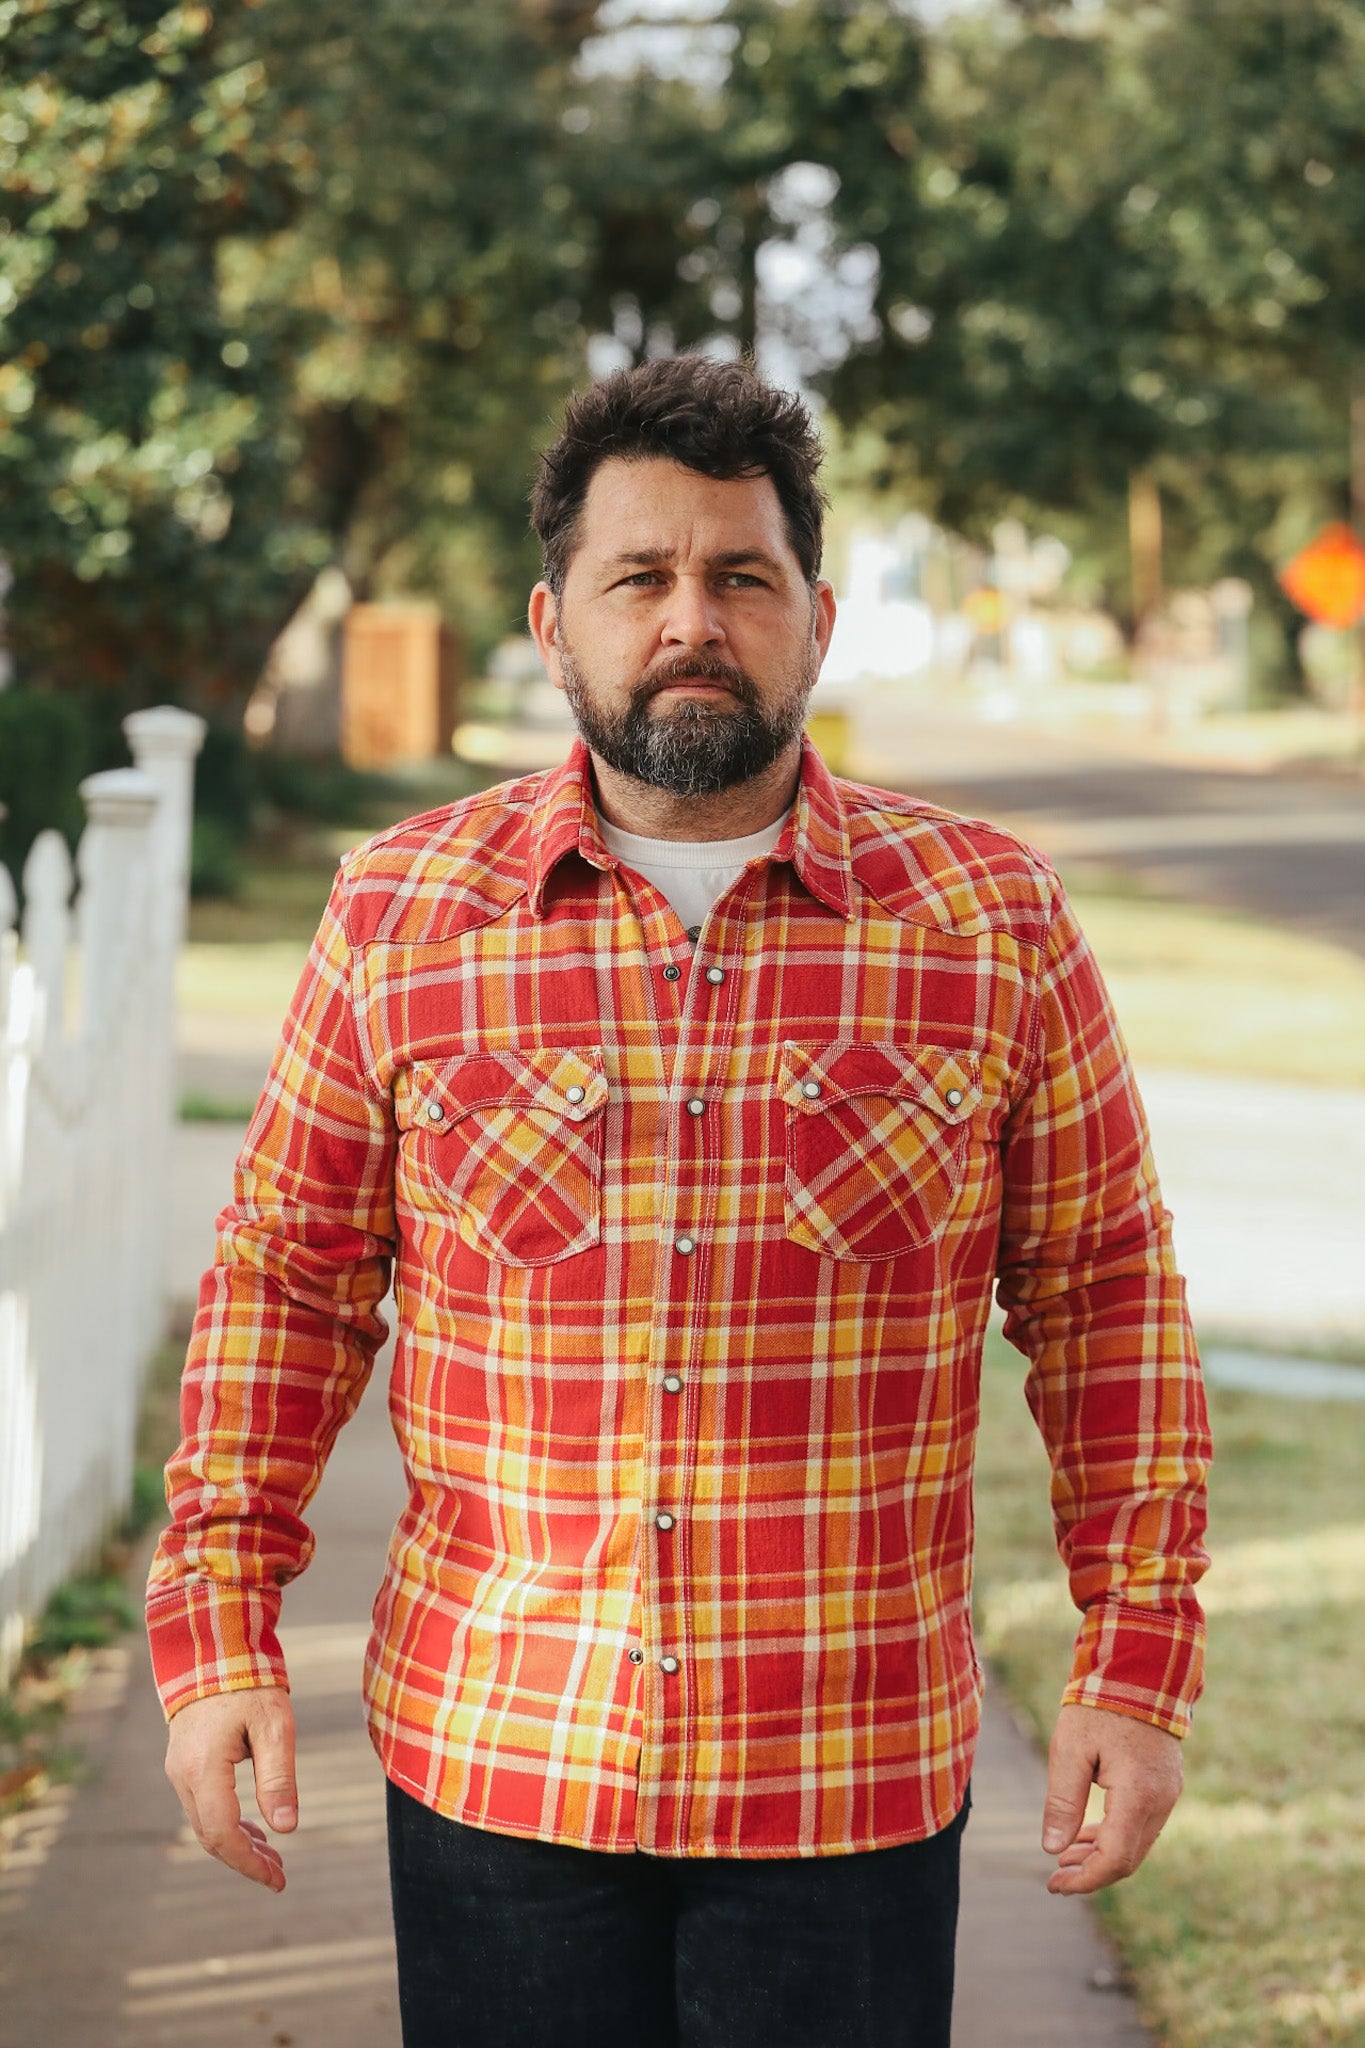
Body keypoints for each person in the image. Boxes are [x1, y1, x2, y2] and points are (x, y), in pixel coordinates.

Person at [148, 354, 1211, 2048]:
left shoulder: (990, 923)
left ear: (818, 619)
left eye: (741, 577)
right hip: (498, 1764)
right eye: (637, 576)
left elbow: (1104, 1298)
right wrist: (218, 1629)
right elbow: (290, 1278)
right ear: (552, 620)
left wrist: (1133, 1661)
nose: (690, 619)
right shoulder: (399, 915)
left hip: (845, 1783)